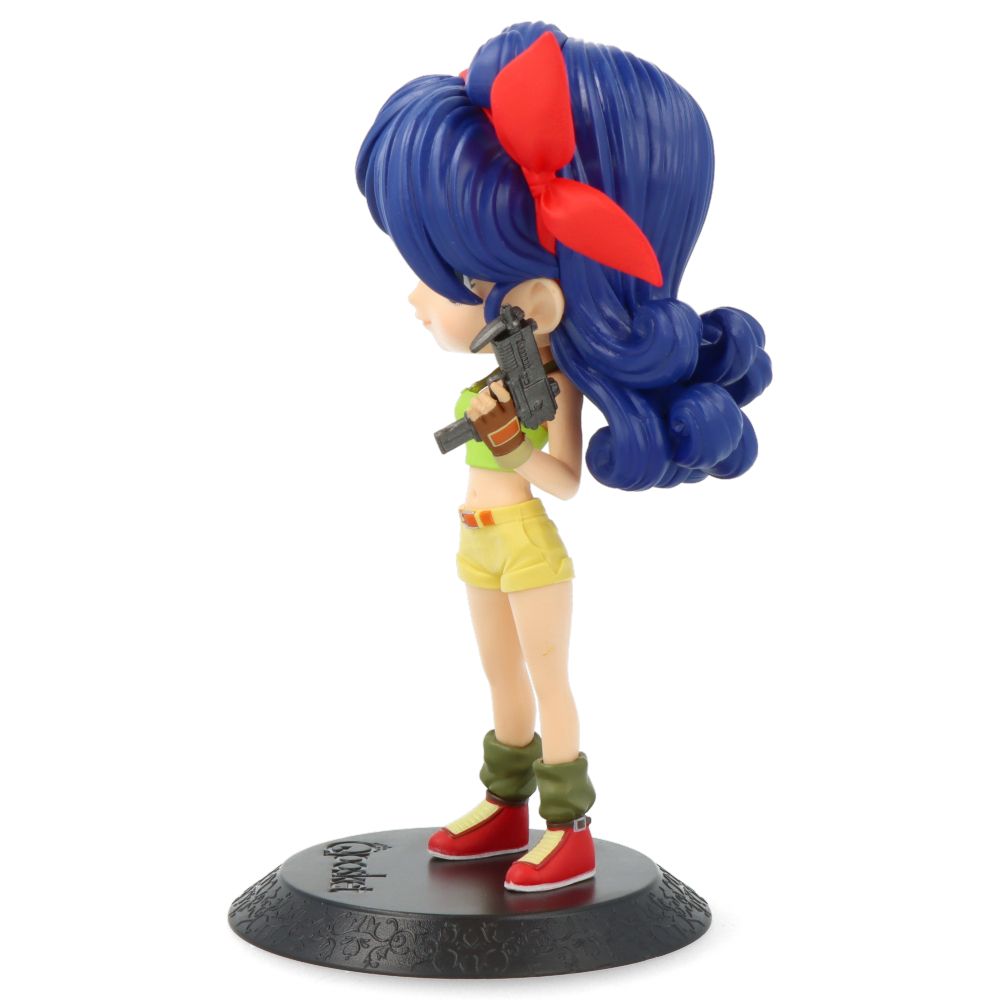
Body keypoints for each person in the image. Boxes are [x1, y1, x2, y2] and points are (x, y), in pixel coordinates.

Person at [355, 22, 771, 892]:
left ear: (537, 300)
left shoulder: (548, 386)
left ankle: (569, 826)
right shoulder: (508, 370)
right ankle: (502, 802)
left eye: (450, 277)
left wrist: (511, 442)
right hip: (477, 536)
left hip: (527, 547)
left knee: (550, 681)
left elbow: (566, 481)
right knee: (499, 676)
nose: (416, 297)